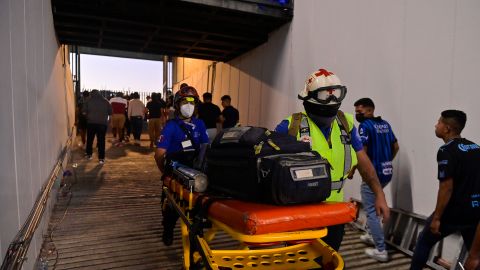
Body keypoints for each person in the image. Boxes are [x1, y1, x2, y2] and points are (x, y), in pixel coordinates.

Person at [275, 68, 390, 251]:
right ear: (308, 99)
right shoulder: (290, 127)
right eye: (324, 96)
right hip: (301, 214)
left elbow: (363, 162)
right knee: (301, 261)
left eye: (334, 96)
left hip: (334, 214)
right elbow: (271, 170)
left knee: (329, 258)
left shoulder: (346, 125)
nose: (330, 102)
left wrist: (380, 194)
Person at [410, 110, 480, 270]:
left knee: (424, 241)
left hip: (453, 213)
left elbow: (446, 188)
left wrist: (437, 217)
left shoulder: (446, 151)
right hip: (475, 212)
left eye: (439, 122)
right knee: (475, 255)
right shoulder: (477, 148)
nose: (436, 125)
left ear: (447, 128)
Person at [154, 86, 209, 246]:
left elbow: (205, 147)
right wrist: (165, 173)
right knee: (171, 206)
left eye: (192, 102)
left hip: (196, 172)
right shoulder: (171, 126)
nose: (189, 106)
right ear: (177, 105)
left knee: (198, 208)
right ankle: (168, 230)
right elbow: (159, 154)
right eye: (185, 101)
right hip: (176, 171)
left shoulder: (200, 124)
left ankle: (197, 238)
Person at [352, 98, 399, 262]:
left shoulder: (364, 126)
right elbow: (396, 147)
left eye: (360, 111)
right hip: (387, 172)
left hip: (373, 174)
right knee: (375, 204)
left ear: (370, 110)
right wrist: (386, 160)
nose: (358, 114)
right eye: (356, 111)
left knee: (370, 211)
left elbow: (361, 152)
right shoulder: (385, 124)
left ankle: (380, 249)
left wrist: (353, 169)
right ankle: (372, 235)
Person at [82, 89, 112, 164]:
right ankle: (101, 158)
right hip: (102, 124)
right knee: (101, 141)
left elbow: (83, 112)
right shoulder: (105, 101)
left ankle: (89, 155)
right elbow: (110, 112)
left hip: (91, 123)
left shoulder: (88, 101)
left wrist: (88, 116)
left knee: (90, 139)